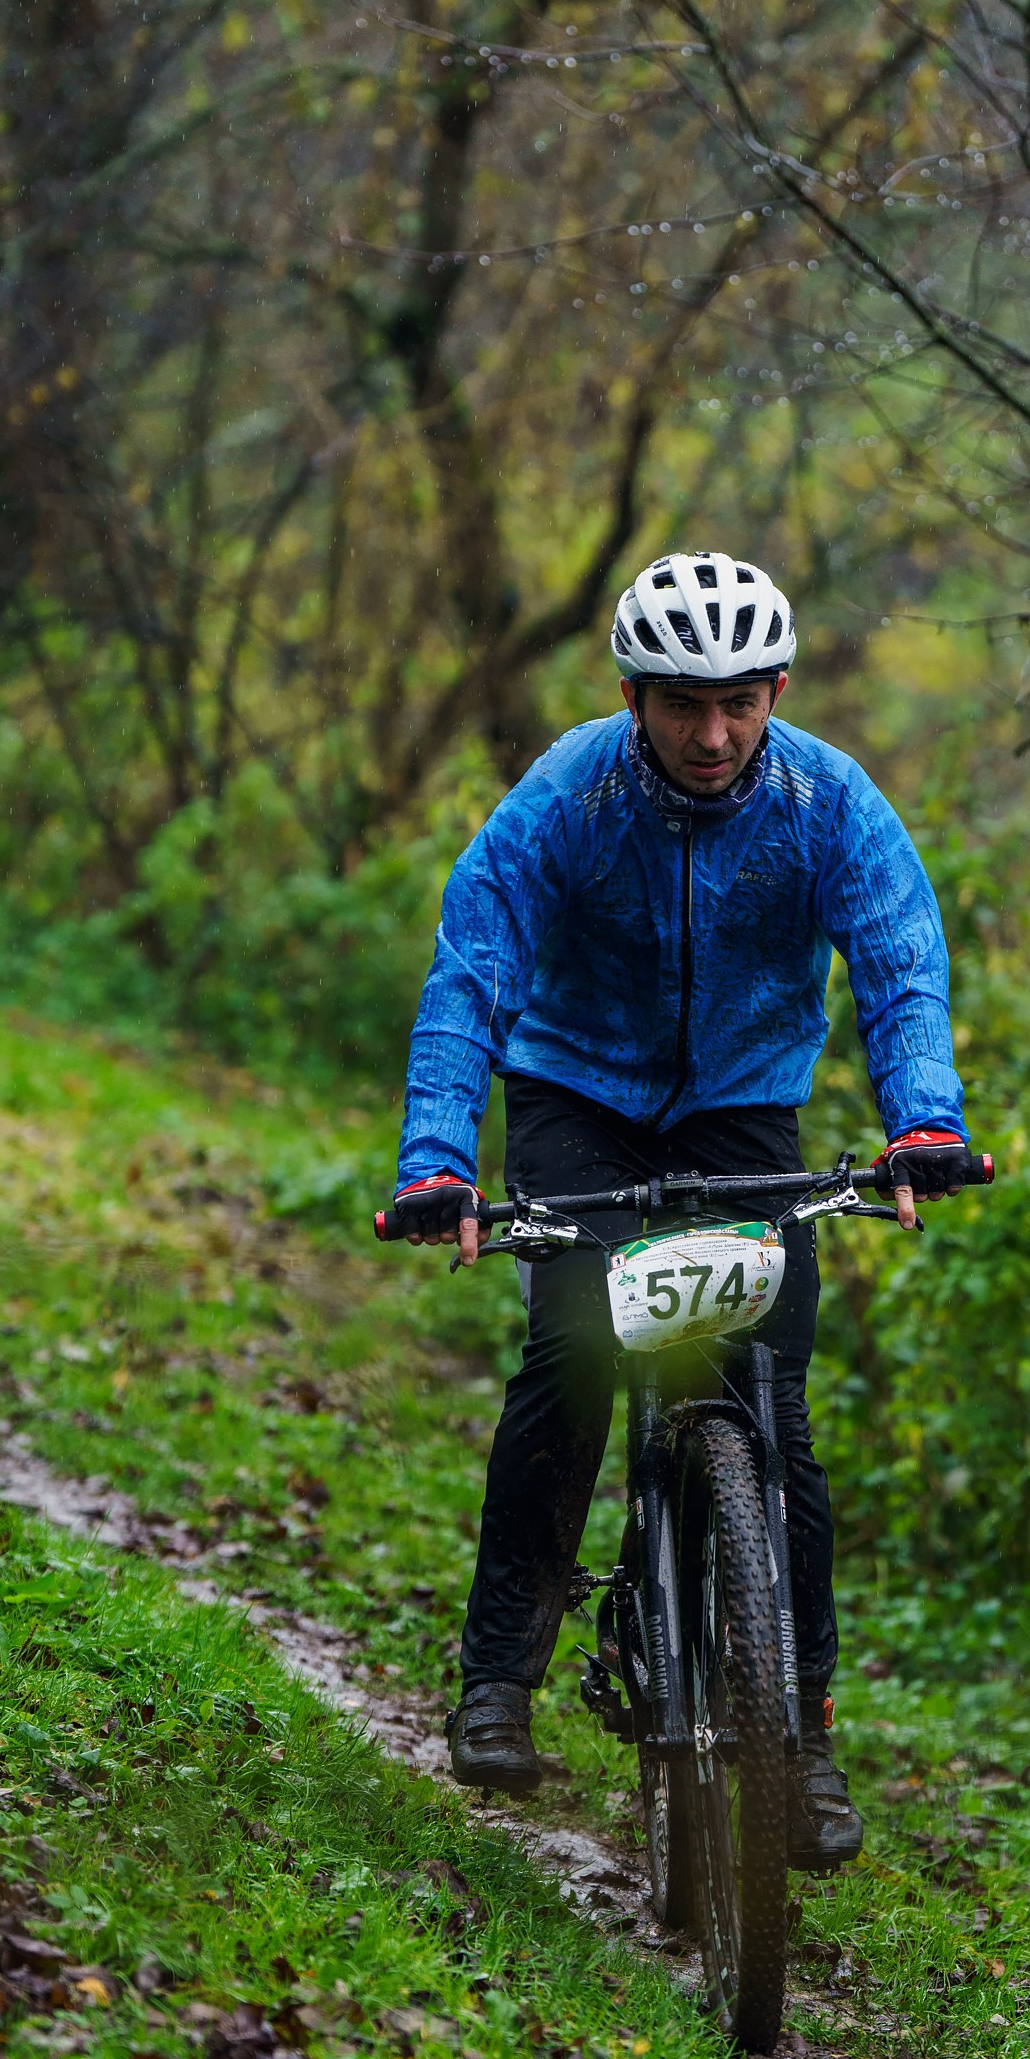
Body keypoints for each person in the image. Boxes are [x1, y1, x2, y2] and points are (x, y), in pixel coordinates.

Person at [386, 548, 972, 1869]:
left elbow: (898, 958)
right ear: (636, 696)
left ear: (775, 688)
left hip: (743, 1109)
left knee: (778, 1413)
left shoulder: (828, 801)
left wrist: (923, 1121)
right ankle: (498, 1677)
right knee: (572, 1355)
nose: (713, 736)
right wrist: (439, 1159)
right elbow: (473, 969)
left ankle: (802, 1739)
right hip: (577, 1095)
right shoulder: (570, 796)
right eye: (682, 705)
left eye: (739, 703)